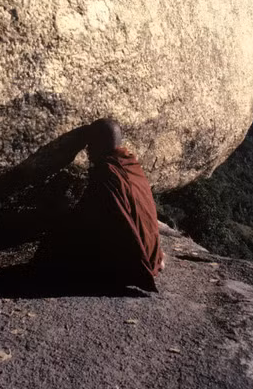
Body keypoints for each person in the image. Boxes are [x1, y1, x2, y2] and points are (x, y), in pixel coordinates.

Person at [33, 118, 165, 292]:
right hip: (153, 255)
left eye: (91, 145)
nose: (88, 151)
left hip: (132, 264)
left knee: (58, 250)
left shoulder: (107, 173)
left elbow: (90, 217)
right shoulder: (132, 165)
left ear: (99, 145)